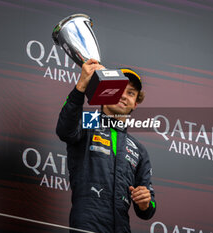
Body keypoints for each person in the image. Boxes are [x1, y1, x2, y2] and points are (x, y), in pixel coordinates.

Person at [56, 59, 156, 233]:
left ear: (135, 103)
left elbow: (148, 209)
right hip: (87, 224)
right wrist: (81, 86)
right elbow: (64, 130)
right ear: (106, 92)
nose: (124, 96)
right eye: (120, 89)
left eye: (131, 93)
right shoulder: (88, 123)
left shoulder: (139, 149)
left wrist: (145, 201)